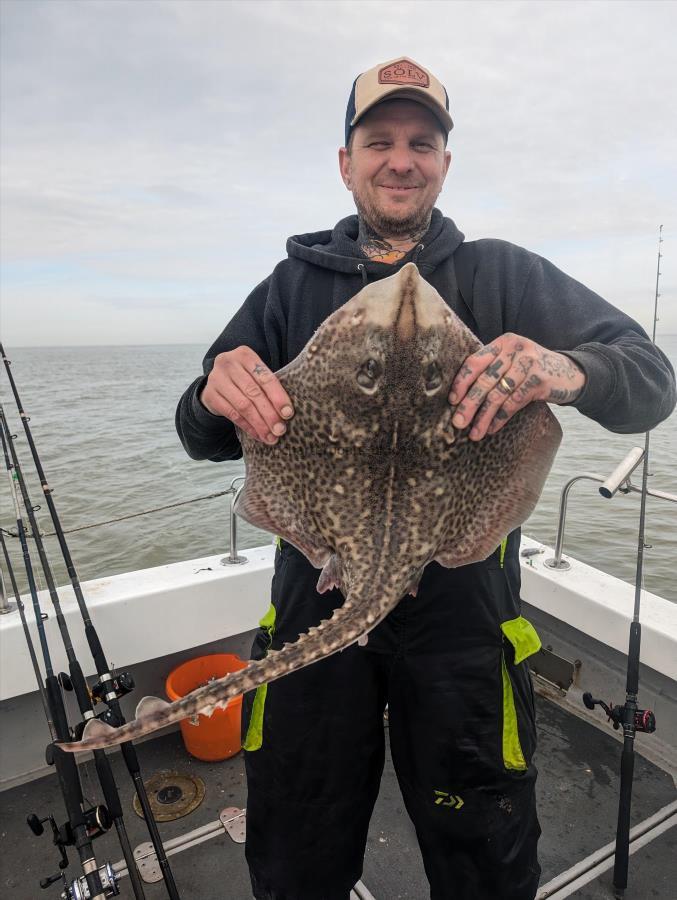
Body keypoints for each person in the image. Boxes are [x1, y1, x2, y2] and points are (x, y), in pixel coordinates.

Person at [176, 57, 676, 900]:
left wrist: (564, 367)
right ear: (347, 161)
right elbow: (204, 436)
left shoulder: (502, 275)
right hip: (316, 602)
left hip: (463, 618)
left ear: (443, 162)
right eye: (380, 141)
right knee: (296, 847)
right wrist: (209, 394)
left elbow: (650, 383)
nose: (400, 159)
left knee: (480, 847)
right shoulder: (291, 286)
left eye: (421, 143)